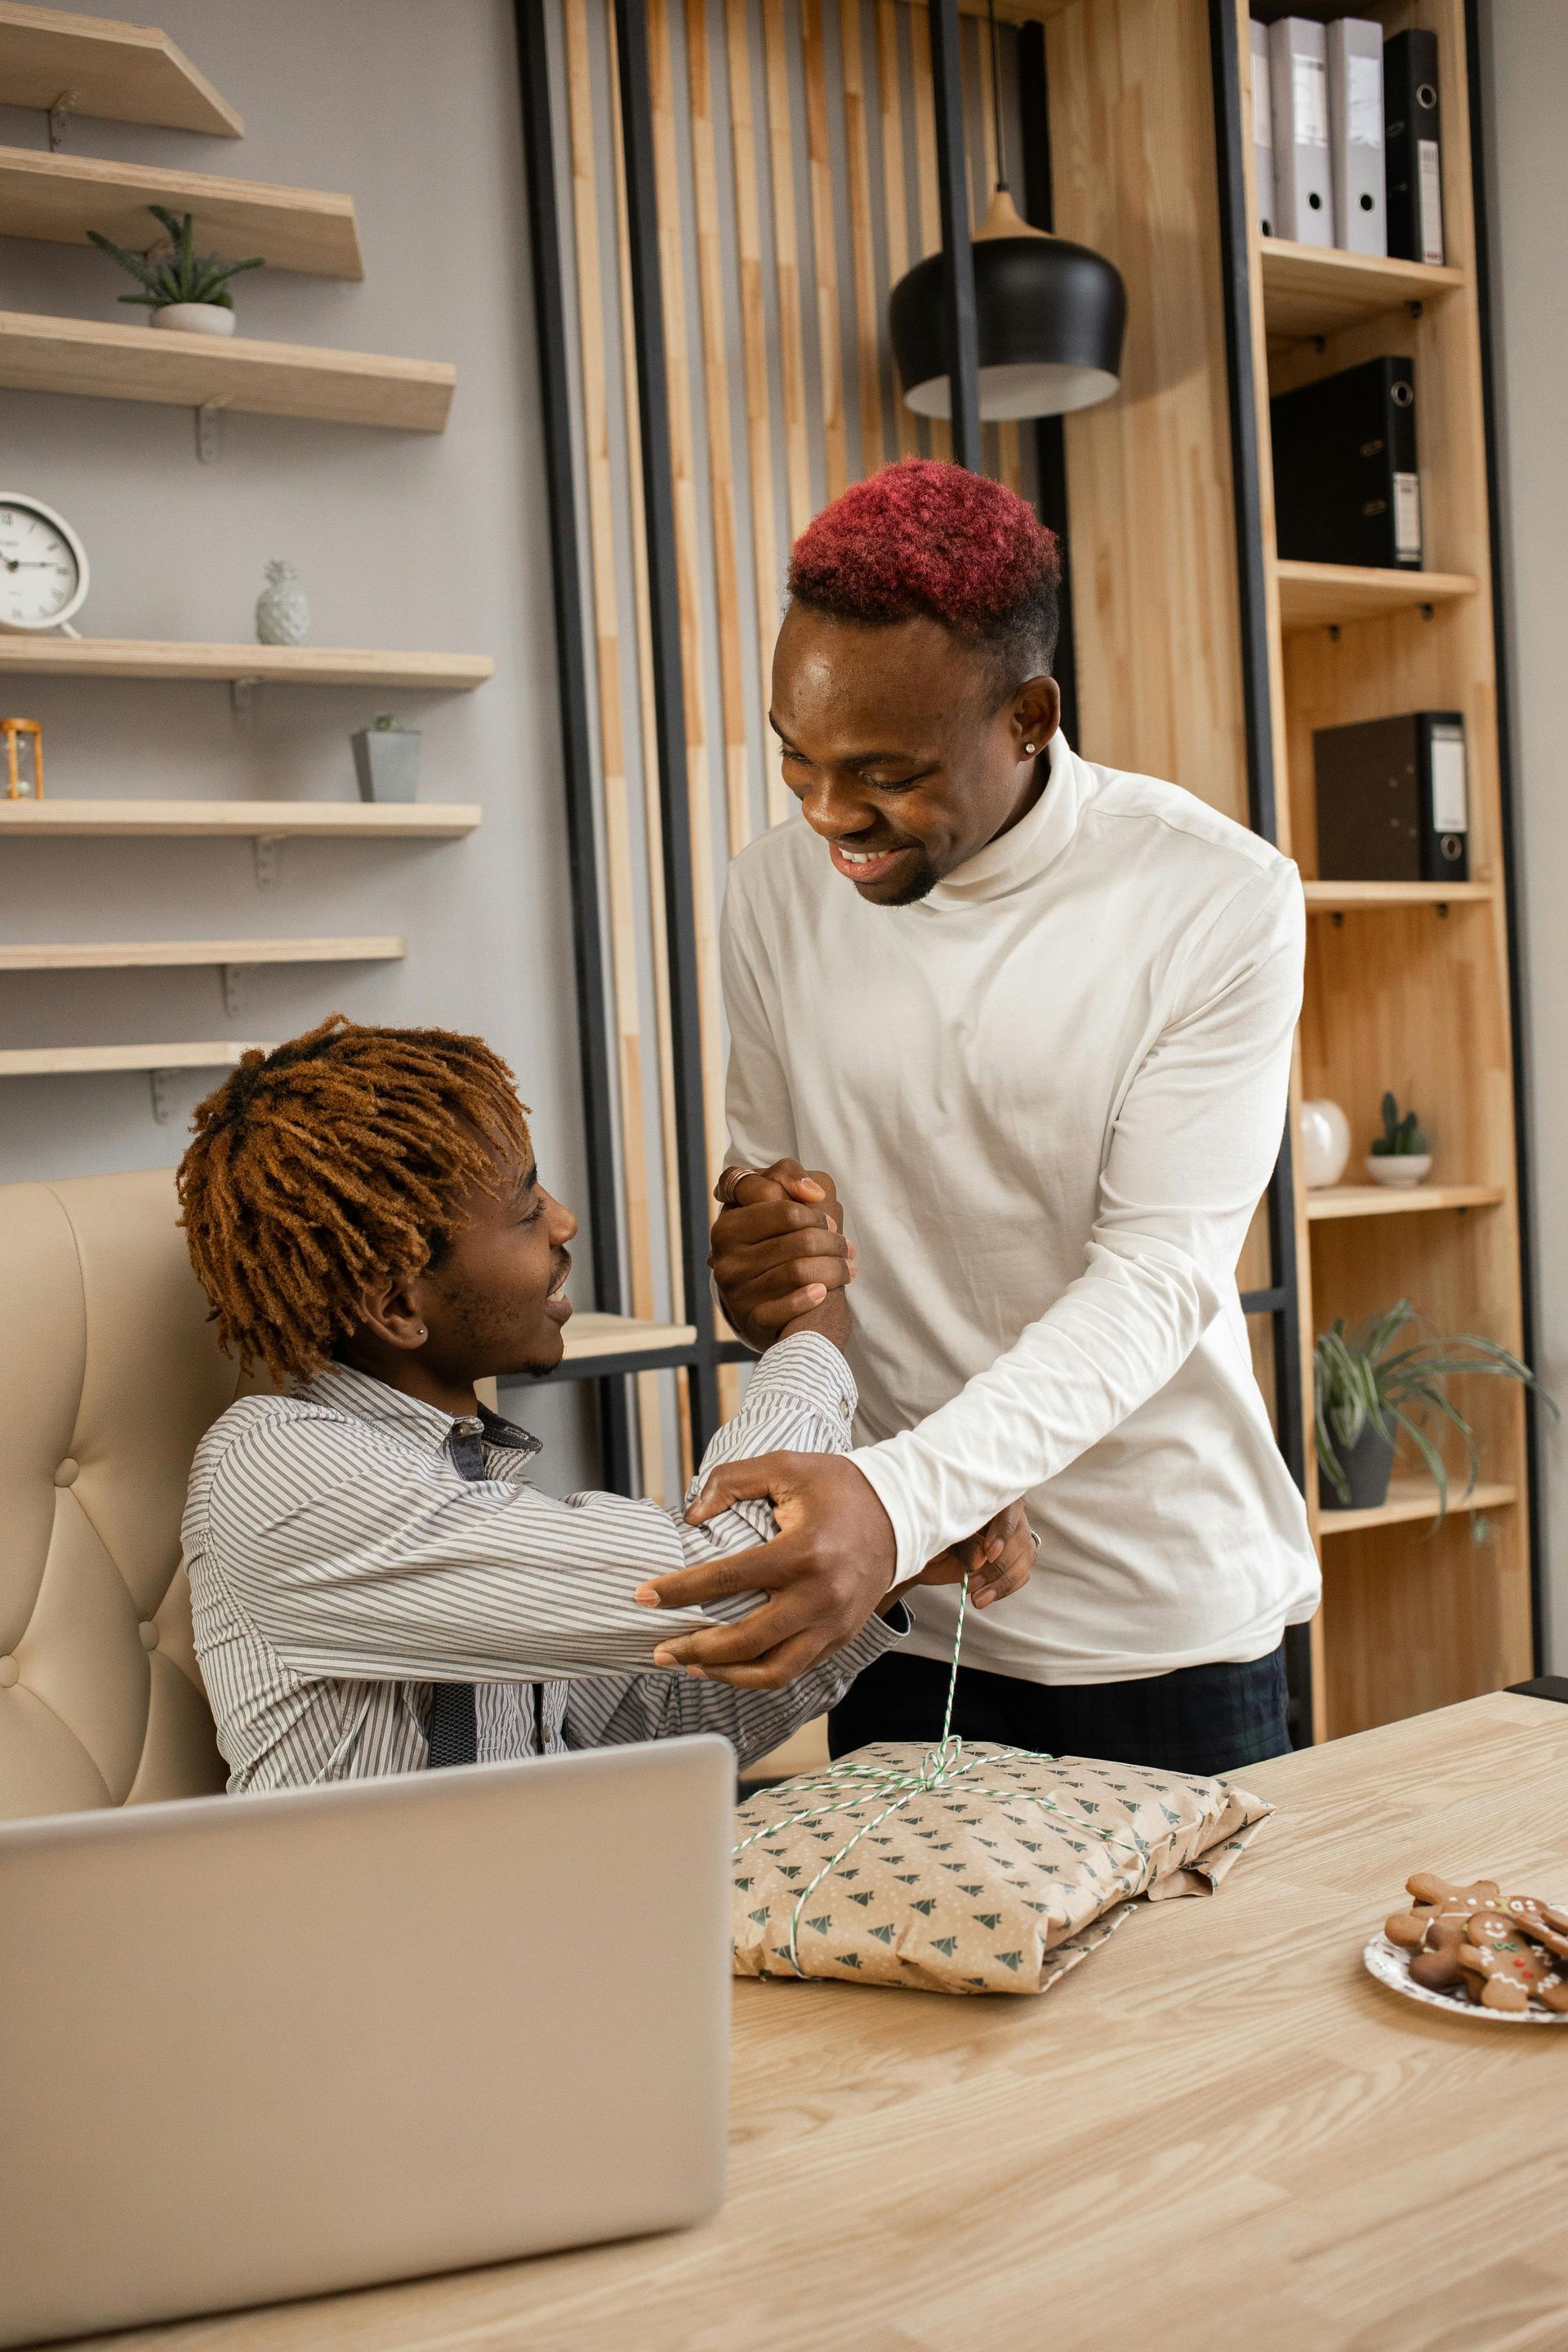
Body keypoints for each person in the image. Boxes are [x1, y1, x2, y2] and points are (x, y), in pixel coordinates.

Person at [638, 459, 1320, 1778]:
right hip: (901, 1612)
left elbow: (1160, 1276)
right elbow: (782, 1217)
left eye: (885, 773)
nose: (830, 816)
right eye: (796, 760)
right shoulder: (773, 893)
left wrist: (897, 1500)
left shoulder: (1214, 897)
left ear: (1028, 717)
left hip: (1155, 1619)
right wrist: (769, 1270)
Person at [176, 1014, 1032, 1793]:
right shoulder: (278, 1469)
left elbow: (642, 1733)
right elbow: (728, 1577)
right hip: (388, 1962)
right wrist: (810, 1338)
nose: (565, 1222)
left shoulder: (463, 1478)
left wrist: (890, 1565)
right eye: (523, 1212)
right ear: (397, 1307)